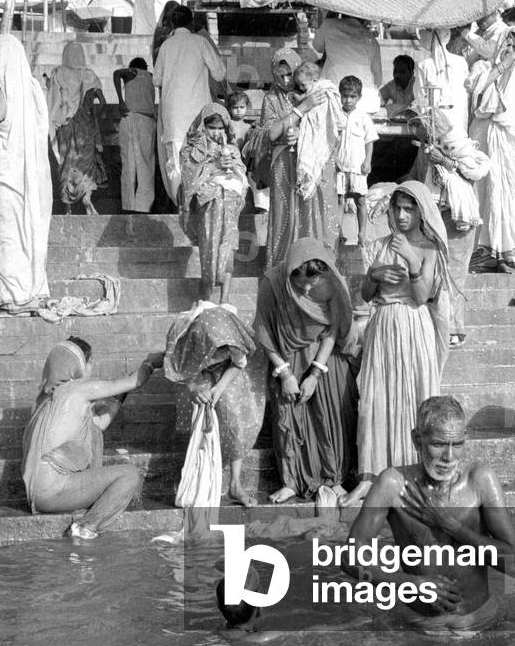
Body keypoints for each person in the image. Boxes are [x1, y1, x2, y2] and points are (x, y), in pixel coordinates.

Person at [343, 396, 515, 631]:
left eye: (457, 444)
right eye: (438, 444)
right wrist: (412, 584)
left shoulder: (480, 480)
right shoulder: (393, 484)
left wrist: (452, 526)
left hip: (480, 621)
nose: (448, 457)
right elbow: (349, 559)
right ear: (417, 439)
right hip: (419, 624)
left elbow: (514, 564)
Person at [342, 181, 453, 506]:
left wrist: (414, 263)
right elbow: (365, 296)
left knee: (415, 398)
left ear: (420, 212)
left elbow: (421, 299)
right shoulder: (378, 245)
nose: (402, 215)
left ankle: (418, 474)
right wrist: (374, 277)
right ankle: (371, 476)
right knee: (377, 399)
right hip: (383, 325)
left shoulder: (430, 249)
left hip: (414, 325)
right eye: (398, 209)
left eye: (409, 209)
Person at [21, 337, 164, 538]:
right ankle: (86, 526)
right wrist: (151, 363)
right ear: (78, 365)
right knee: (129, 475)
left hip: (39, 494)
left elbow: (98, 425)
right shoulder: (77, 389)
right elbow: (135, 381)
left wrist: (120, 395)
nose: (92, 367)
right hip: (55, 489)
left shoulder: (44, 401)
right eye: (89, 362)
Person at [253, 238, 358, 504]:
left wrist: (315, 374)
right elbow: (264, 330)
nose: (308, 288)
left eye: (314, 283)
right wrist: (286, 375)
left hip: (326, 358)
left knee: (331, 415)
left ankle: (334, 478)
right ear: (290, 272)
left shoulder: (332, 280)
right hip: (286, 359)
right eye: (300, 283)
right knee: (289, 417)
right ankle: (291, 481)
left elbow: (333, 328)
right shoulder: (273, 284)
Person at [0, 35, 51, 314]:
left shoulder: (8, 87)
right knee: (23, 230)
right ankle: (30, 290)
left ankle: (13, 296)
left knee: (4, 230)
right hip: (23, 174)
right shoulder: (30, 87)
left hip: (4, 174)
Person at [164, 302, 268, 507]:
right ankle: (200, 477)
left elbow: (238, 364)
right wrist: (195, 389)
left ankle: (235, 485)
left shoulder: (234, 342)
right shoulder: (187, 340)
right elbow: (180, 372)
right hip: (193, 369)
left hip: (229, 371)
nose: (220, 354)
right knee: (200, 416)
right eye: (216, 352)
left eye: (225, 351)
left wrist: (218, 390)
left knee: (234, 417)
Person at [409, 112, 489, 343]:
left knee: (453, 274)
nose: (418, 134)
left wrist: (443, 160)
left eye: (422, 129)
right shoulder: (423, 149)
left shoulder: (458, 144)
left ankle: (454, 329)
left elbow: (474, 171)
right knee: (432, 271)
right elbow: (416, 176)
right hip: (433, 216)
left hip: (457, 218)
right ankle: (435, 325)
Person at [468, 29, 515, 272]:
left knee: (509, 194)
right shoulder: (483, 67)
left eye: (514, 47)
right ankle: (486, 253)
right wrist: (500, 67)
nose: (509, 51)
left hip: (512, 144)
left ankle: (508, 255)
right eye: (506, 45)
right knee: (485, 195)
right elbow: (475, 89)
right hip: (484, 137)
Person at [261, 53, 341, 267]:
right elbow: (271, 133)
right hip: (284, 166)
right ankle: (284, 271)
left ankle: (319, 269)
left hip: (315, 165)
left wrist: (302, 133)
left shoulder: (318, 91)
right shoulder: (271, 99)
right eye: (281, 76)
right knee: (286, 217)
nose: (286, 81)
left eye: (290, 75)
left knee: (318, 214)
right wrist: (301, 109)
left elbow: (328, 126)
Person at [153, 5, 226, 202]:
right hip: (198, 114)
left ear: (172, 23)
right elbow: (219, 73)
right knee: (203, 161)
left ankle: (181, 210)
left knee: (176, 165)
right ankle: (199, 209)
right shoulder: (200, 42)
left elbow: (156, 80)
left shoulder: (166, 45)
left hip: (174, 116)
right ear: (191, 21)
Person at [178, 103, 247, 305]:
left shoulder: (232, 148)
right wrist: (213, 167)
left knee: (228, 247)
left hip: (230, 204)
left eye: (220, 128)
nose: (216, 133)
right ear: (202, 127)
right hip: (208, 204)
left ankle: (225, 297)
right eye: (211, 128)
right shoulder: (192, 149)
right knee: (209, 248)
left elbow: (242, 176)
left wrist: (233, 166)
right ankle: (206, 296)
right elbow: (189, 177)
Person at [47, 41, 106, 215]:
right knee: (87, 164)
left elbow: (53, 102)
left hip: (66, 125)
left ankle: (68, 207)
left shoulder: (58, 73)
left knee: (67, 163)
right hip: (86, 124)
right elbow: (102, 102)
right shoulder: (90, 75)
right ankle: (86, 197)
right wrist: (93, 114)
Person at [310, 13, 383, 115]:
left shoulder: (328, 25)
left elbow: (318, 46)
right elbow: (378, 80)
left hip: (335, 102)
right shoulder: (371, 39)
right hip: (367, 104)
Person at [337, 75, 378, 247]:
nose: (348, 100)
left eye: (352, 96)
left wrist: (367, 161)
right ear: (340, 95)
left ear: (359, 98)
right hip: (339, 165)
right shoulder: (336, 115)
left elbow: (369, 141)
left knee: (360, 200)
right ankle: (338, 234)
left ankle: (362, 234)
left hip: (357, 167)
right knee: (340, 199)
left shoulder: (363, 117)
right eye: (345, 96)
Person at [113, 57, 156, 214]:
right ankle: (143, 207)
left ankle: (129, 206)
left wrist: (120, 100)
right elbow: (117, 73)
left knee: (129, 164)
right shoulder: (150, 76)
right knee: (145, 163)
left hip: (131, 118)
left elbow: (117, 73)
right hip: (144, 120)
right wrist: (120, 101)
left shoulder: (134, 72)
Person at [413, 29, 469, 134]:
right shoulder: (460, 61)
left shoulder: (423, 65)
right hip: (453, 117)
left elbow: (420, 97)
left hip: (441, 120)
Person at [151, 0, 180, 65]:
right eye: (173, 12)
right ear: (167, 13)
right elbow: (156, 51)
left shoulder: (182, 28)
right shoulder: (161, 30)